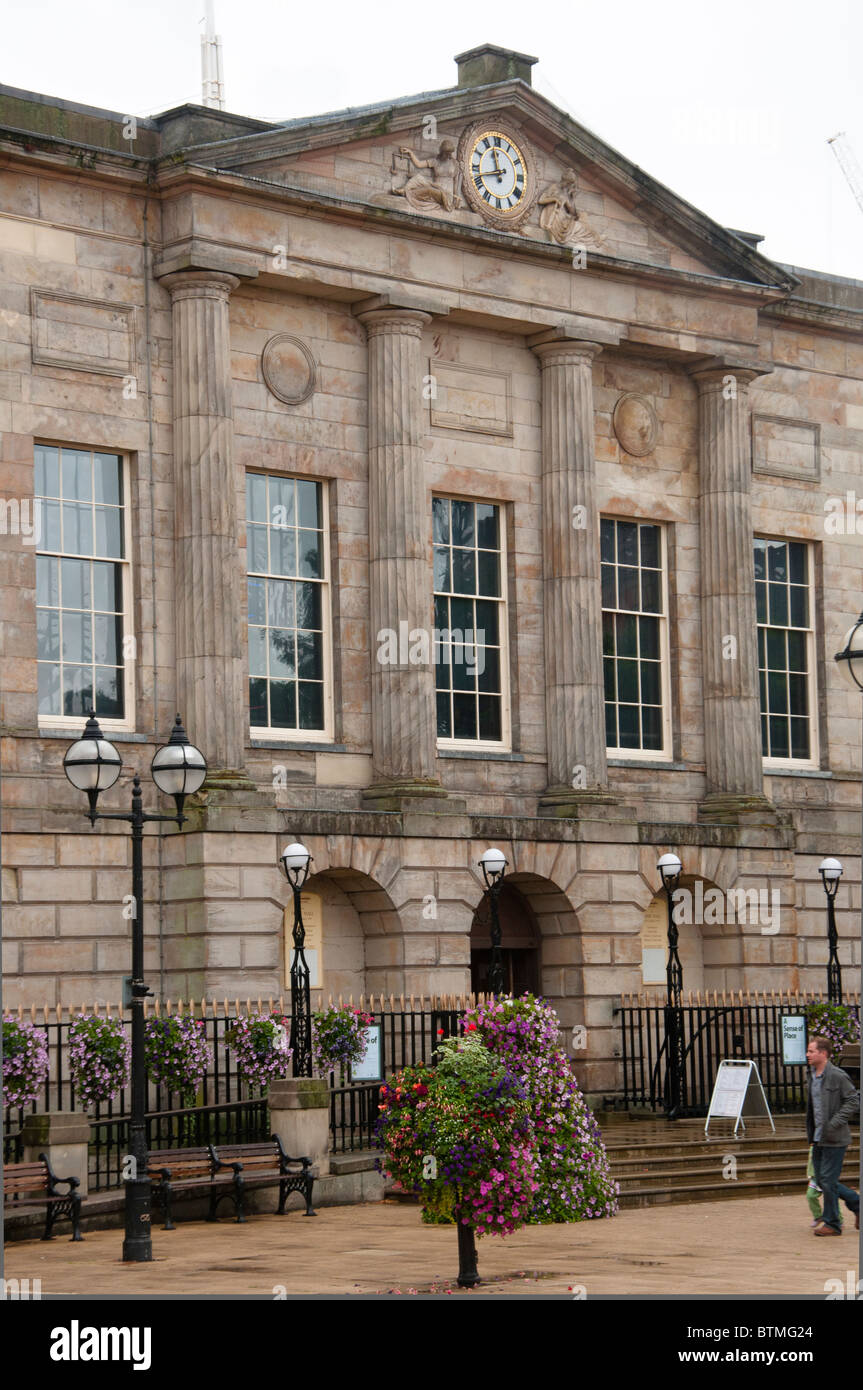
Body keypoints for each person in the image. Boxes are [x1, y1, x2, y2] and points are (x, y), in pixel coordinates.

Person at [806, 1035, 860, 1236]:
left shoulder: (837, 1075)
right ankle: (856, 1203)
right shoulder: (811, 1075)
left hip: (836, 1138)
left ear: (823, 1053)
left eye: (811, 1051)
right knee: (821, 1181)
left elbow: (853, 1101)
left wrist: (835, 1122)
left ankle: (832, 1223)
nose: (808, 1054)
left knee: (827, 1180)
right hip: (818, 1137)